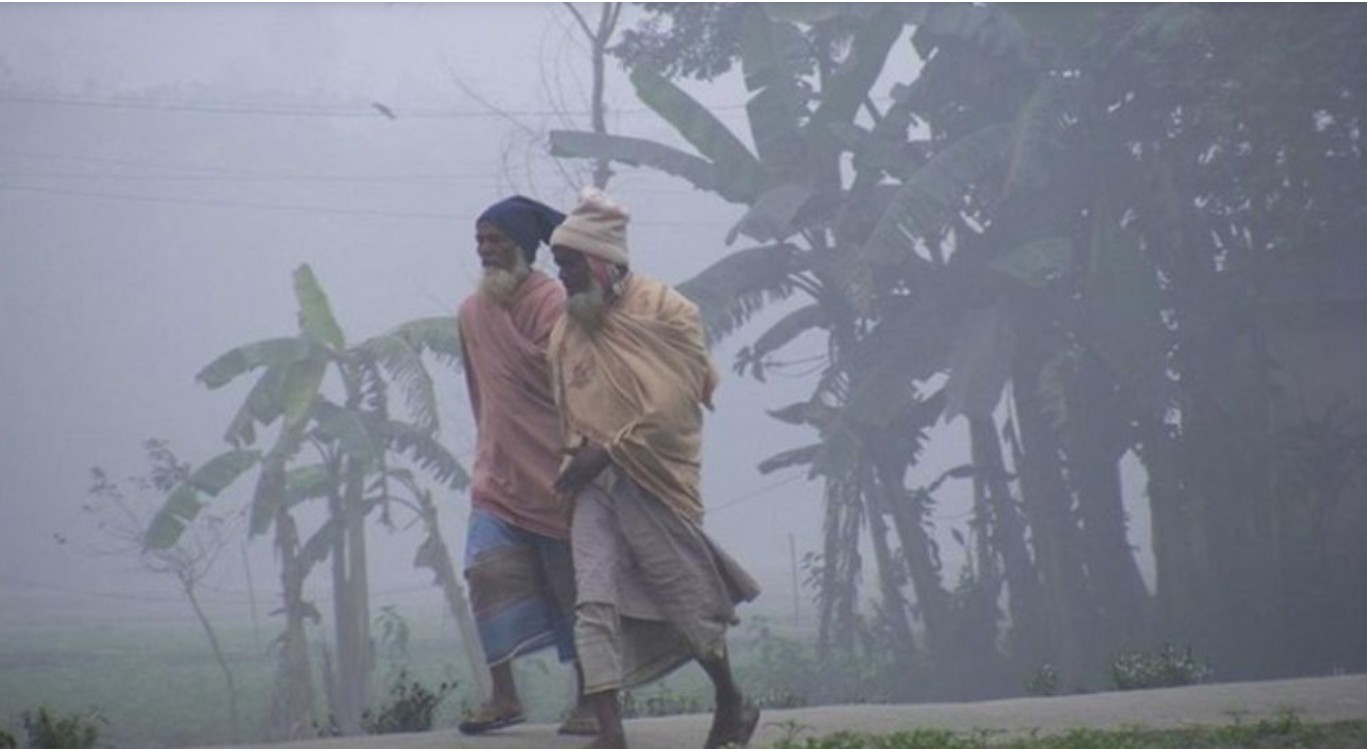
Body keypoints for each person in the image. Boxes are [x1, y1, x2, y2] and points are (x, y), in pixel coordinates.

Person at [547, 188, 763, 749]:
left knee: (686, 603)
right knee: (592, 600)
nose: (562, 274)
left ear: (602, 260)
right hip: (593, 486)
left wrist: (611, 449)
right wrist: (577, 457)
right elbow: (568, 398)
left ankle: (731, 701)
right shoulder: (568, 326)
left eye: (569, 263)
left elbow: (672, 405)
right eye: (558, 263)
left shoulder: (667, 309)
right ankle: (610, 733)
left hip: (653, 478)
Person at [455, 195, 596, 736]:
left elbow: (576, 386)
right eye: (481, 241)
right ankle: (504, 696)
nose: (487, 250)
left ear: (523, 248)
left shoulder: (554, 303)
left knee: (572, 592)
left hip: (556, 475)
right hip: (497, 476)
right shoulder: (470, 313)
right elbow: (481, 392)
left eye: (497, 241)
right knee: (484, 575)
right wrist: (493, 445)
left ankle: (591, 700)